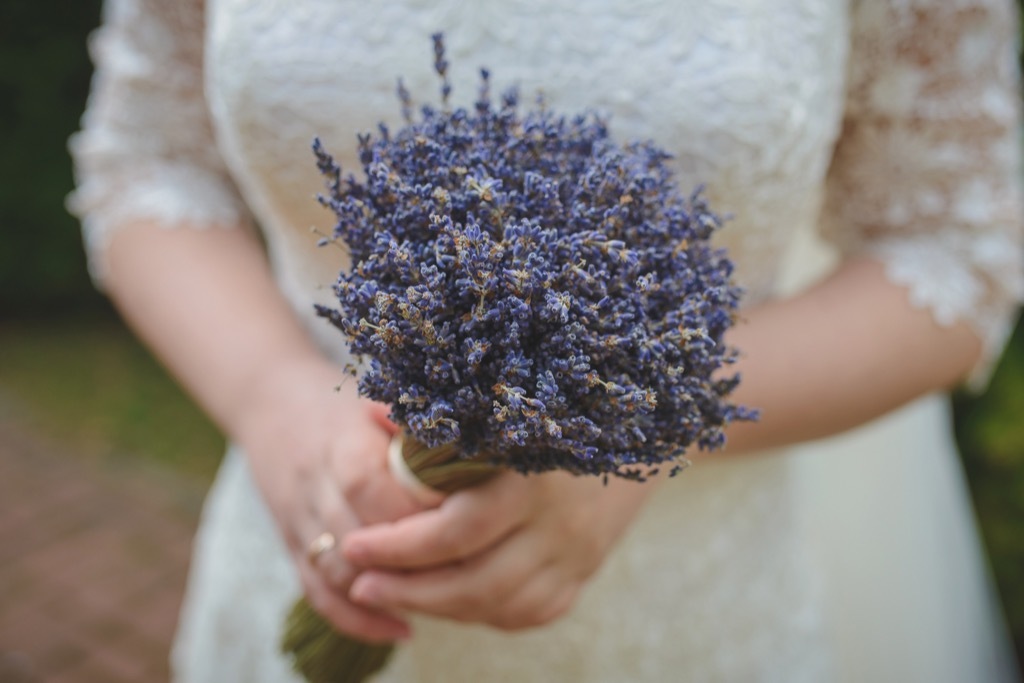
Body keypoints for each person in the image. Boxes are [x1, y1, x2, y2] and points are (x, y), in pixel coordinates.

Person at [69, 0, 1023, 680]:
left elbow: (957, 248)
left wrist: (642, 420)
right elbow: (150, 160)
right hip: (309, 526)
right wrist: (276, 407)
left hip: (678, 611)